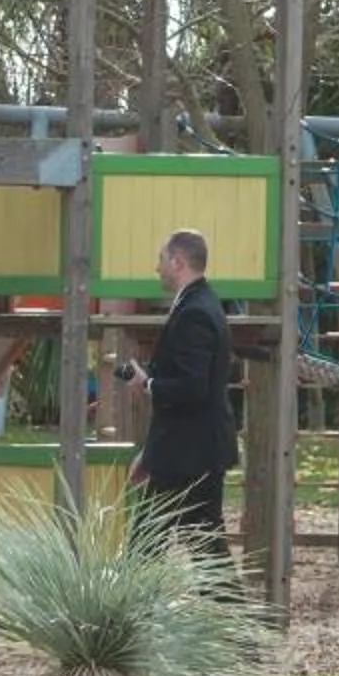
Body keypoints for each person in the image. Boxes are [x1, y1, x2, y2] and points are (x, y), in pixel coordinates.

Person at [119, 227, 237, 553]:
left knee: (148, 546)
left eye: (161, 259)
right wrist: (151, 453)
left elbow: (192, 386)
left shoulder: (195, 313)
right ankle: (226, 603)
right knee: (203, 550)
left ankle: (131, 603)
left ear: (178, 261)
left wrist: (148, 383)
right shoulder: (200, 304)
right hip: (188, 451)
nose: (157, 268)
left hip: (189, 455)